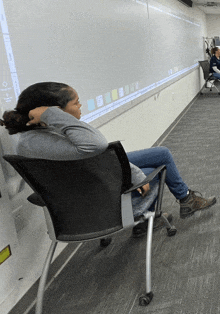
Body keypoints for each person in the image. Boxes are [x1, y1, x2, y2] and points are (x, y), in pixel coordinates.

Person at [0, 82, 217, 237]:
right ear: (56, 112)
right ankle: (151, 215)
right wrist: (53, 115)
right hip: (102, 202)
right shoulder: (36, 143)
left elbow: (99, 159)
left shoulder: (36, 137)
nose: (81, 106)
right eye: (76, 103)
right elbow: (97, 146)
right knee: (158, 168)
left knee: (161, 153)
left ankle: (184, 199)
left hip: (93, 180)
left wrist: (134, 172)